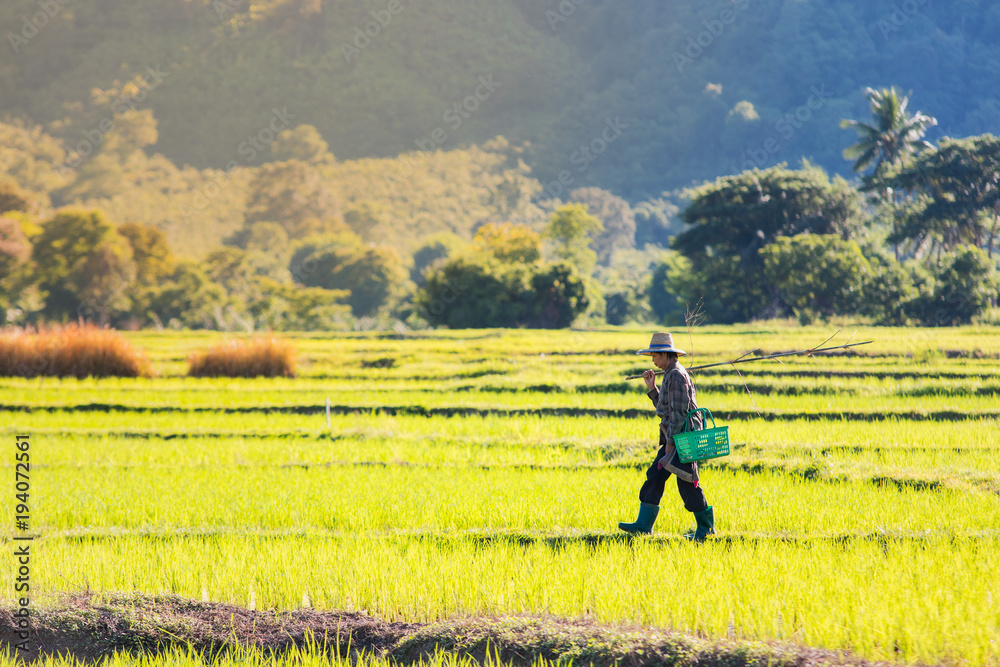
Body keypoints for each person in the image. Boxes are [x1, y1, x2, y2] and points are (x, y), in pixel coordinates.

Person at [618, 332, 715, 540]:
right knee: (656, 476)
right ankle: (644, 525)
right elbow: (666, 409)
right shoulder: (671, 374)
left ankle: (706, 529)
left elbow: (678, 415)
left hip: (681, 441)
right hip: (676, 439)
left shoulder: (677, 376)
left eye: (654, 355)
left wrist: (670, 445)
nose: (652, 360)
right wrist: (652, 388)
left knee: (686, 482)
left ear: (665, 354)